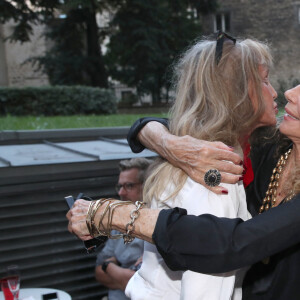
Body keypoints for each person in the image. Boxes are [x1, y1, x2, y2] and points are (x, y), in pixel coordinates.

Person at [66, 37, 300, 298]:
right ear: (237, 94)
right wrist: (169, 143)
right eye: (264, 80)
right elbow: (144, 125)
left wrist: (115, 215)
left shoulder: (211, 168)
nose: (287, 92)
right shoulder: (216, 159)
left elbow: (231, 245)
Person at [124, 33, 277, 300]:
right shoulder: (217, 175)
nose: (275, 91)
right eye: (264, 81)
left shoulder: (192, 153)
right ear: (238, 94)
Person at [95, 158, 152, 300]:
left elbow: (148, 287)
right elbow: (98, 272)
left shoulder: (160, 224)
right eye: (120, 186)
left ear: (147, 186)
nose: (121, 192)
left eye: (129, 186)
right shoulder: (121, 220)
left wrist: (109, 267)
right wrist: (111, 268)